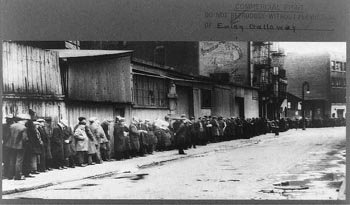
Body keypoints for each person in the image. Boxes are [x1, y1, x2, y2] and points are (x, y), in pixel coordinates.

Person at [5, 114, 30, 180]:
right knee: (19, 161)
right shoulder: (23, 128)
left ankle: (10, 176)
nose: (26, 122)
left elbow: (8, 136)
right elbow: (25, 139)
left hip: (10, 145)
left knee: (12, 160)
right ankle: (18, 176)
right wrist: (25, 144)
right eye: (25, 121)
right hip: (20, 146)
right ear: (22, 120)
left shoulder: (11, 126)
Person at [2, 114, 14, 179]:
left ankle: (6, 174)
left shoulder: (3, 126)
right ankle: (9, 174)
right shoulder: (12, 126)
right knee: (10, 160)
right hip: (11, 145)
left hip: (5, 145)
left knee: (6, 160)